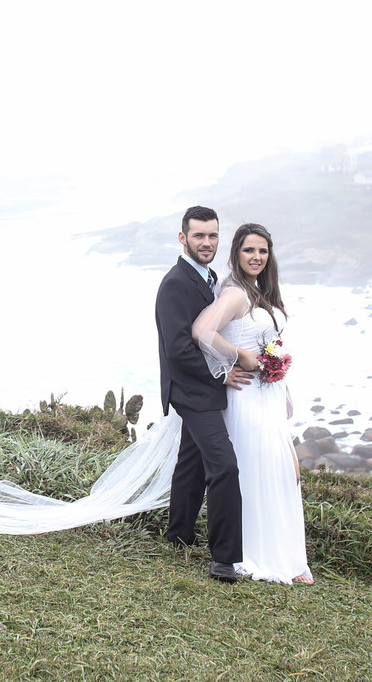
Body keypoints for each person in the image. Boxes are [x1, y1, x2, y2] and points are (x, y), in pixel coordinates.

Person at [192, 222, 313, 584]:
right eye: (249, 250)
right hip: (247, 397)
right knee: (256, 470)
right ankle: (254, 553)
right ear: (237, 254)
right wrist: (236, 358)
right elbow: (201, 332)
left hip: (268, 395)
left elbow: (270, 343)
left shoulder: (261, 292)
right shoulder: (235, 294)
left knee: (280, 471)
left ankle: (287, 557)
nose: (256, 257)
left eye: (262, 250)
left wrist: (282, 387)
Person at [155, 205, 250, 583]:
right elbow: (178, 349)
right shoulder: (176, 283)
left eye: (212, 235)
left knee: (191, 462)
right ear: (183, 238)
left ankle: (178, 532)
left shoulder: (210, 278)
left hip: (202, 387)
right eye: (199, 235)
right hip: (191, 390)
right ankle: (223, 559)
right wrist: (223, 373)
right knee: (224, 466)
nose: (207, 242)